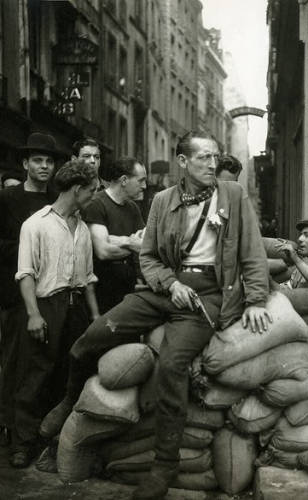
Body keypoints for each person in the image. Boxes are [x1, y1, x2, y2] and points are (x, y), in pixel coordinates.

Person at [40, 130, 271, 500]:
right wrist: (169, 283)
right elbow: (147, 256)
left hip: (206, 295)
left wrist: (257, 300)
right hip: (163, 289)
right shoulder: (162, 200)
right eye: (203, 158)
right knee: (94, 336)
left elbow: (252, 252)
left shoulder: (234, 196)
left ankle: (164, 466)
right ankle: (69, 400)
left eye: (216, 157)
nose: (213, 165)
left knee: (171, 367)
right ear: (182, 162)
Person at [9, 159, 99, 468]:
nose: (93, 197)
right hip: (46, 306)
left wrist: (96, 318)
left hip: (76, 309)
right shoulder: (35, 224)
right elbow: (25, 275)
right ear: (77, 189)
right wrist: (34, 315)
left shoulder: (83, 228)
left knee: (68, 376)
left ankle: (53, 444)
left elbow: (87, 280)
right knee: (36, 374)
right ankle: (22, 444)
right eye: (91, 191)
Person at [0, 133, 59, 448]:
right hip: (15, 295)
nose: (44, 166)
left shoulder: (55, 201)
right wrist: (27, 248)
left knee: (42, 364)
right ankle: (12, 431)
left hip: (49, 292)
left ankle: (33, 430)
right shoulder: (7, 199)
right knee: (15, 363)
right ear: (24, 163)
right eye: (37, 160)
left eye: (49, 161)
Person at [82, 157, 146, 313]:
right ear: (124, 180)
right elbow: (103, 252)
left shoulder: (133, 208)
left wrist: (118, 241)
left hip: (128, 288)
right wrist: (132, 243)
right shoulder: (97, 204)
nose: (144, 186)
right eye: (141, 181)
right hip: (103, 290)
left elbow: (147, 244)